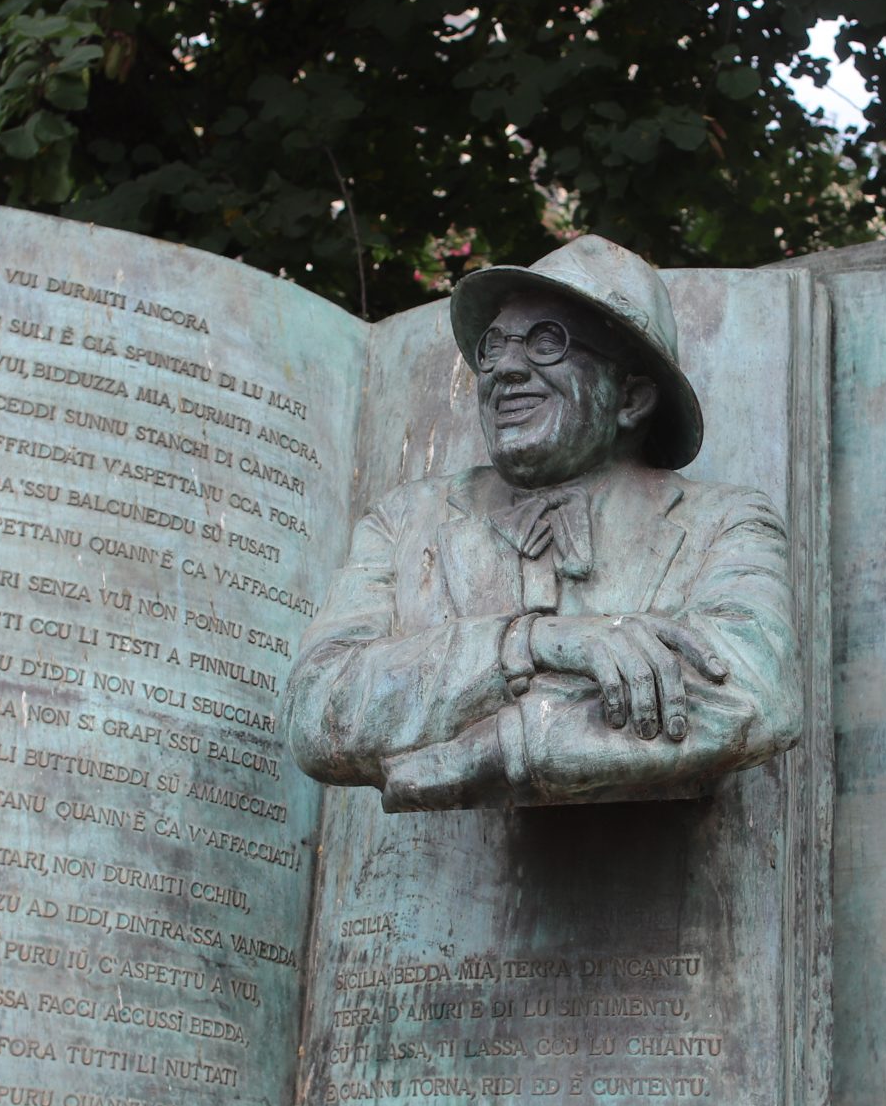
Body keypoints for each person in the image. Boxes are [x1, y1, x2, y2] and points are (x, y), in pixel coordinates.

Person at [282, 235, 801, 811]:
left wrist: (497, 748)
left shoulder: (724, 523)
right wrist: (530, 644)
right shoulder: (406, 521)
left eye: (546, 343)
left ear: (630, 399)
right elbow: (319, 713)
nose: (504, 368)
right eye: (493, 346)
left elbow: (752, 698)